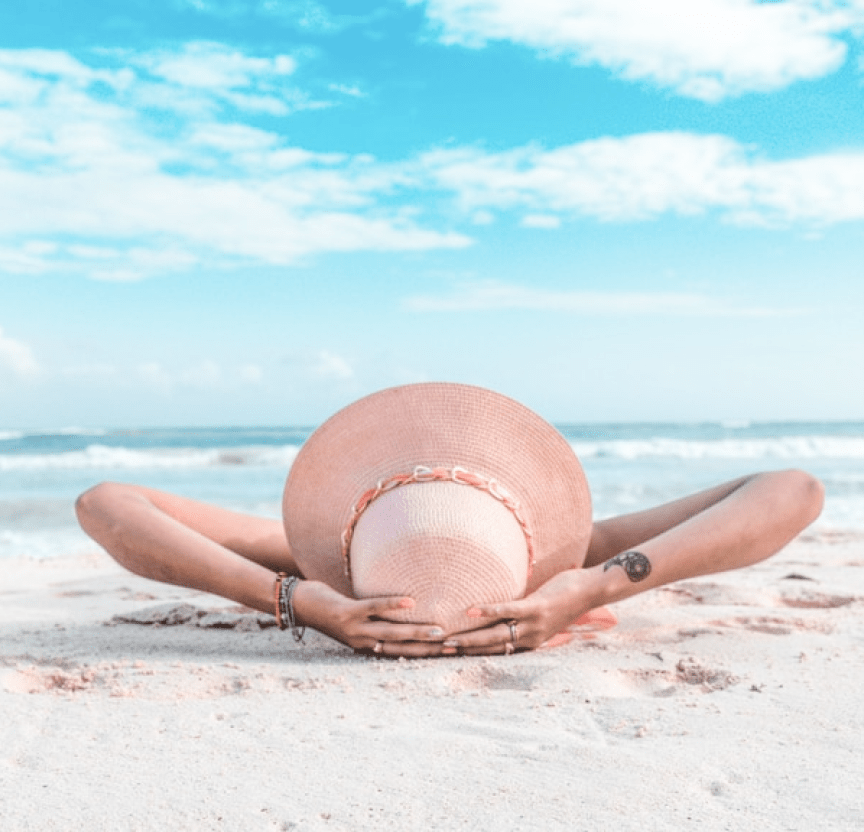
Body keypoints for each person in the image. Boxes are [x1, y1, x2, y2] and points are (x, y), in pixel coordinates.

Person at [75, 383, 824, 658]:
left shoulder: (322, 562)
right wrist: (590, 588)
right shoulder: (572, 555)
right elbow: (791, 488)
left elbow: (794, 491)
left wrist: (296, 597)